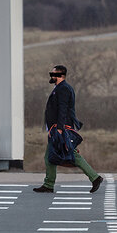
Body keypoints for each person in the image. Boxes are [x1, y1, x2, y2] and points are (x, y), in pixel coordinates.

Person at [33, 65, 103, 193]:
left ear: (60, 75)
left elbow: (63, 109)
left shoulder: (63, 89)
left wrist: (59, 128)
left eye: (53, 74)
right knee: (55, 155)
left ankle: (50, 184)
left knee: (64, 155)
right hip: (58, 127)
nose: (52, 76)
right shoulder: (60, 88)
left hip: (61, 128)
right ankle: (93, 178)